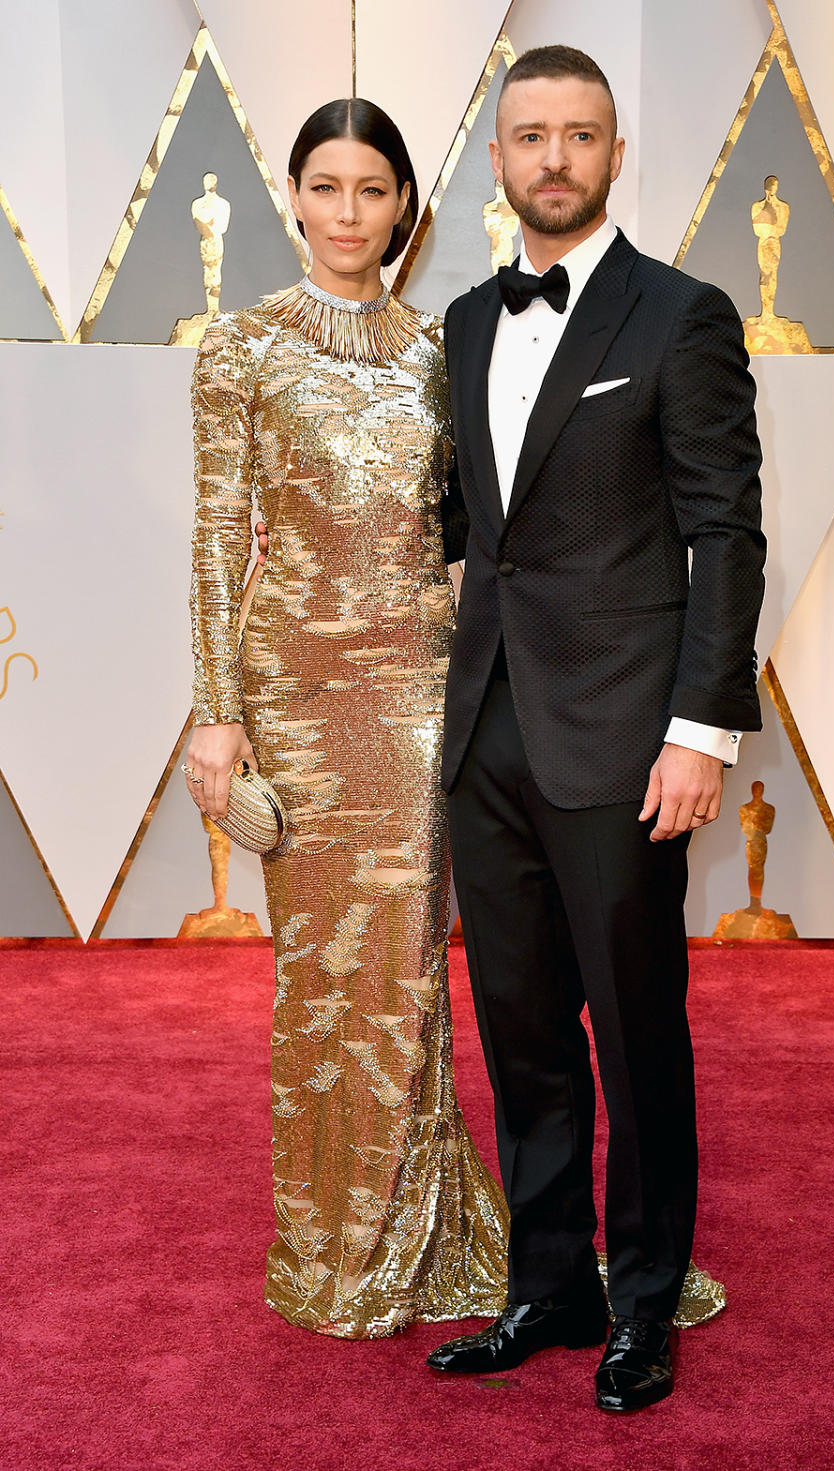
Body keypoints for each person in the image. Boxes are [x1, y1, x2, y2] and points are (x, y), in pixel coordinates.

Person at [425, 46, 765, 1412]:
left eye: (579, 135)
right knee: (521, 1029)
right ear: (496, 160)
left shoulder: (681, 314)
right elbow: (477, 525)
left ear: (617, 156)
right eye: (528, 136)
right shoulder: (460, 318)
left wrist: (699, 728)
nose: (552, 158)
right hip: (489, 730)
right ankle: (548, 1285)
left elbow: (725, 534)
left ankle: (643, 1306)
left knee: (636, 1028)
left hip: (628, 737)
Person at [183, 98, 510, 1338]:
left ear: (404, 208)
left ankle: (414, 1233)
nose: (347, 214)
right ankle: (332, 1240)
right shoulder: (243, 346)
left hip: (420, 690)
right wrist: (218, 712)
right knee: (320, 977)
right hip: (299, 692)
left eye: (372, 190)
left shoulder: (441, 347)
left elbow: (468, 528)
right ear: (295, 197)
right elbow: (220, 534)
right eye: (325, 187)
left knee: (410, 971)